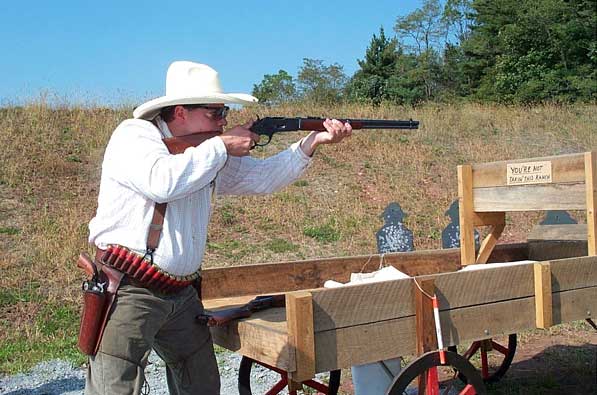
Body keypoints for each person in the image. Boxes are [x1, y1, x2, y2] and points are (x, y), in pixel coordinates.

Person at [86, 60, 352, 395]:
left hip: (180, 292)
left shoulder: (206, 151)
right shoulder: (134, 134)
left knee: (202, 385)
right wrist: (222, 145)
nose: (223, 120)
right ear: (180, 112)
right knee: (113, 387)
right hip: (129, 287)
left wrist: (311, 143)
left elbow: (261, 179)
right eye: (215, 112)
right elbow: (161, 182)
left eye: (223, 112)